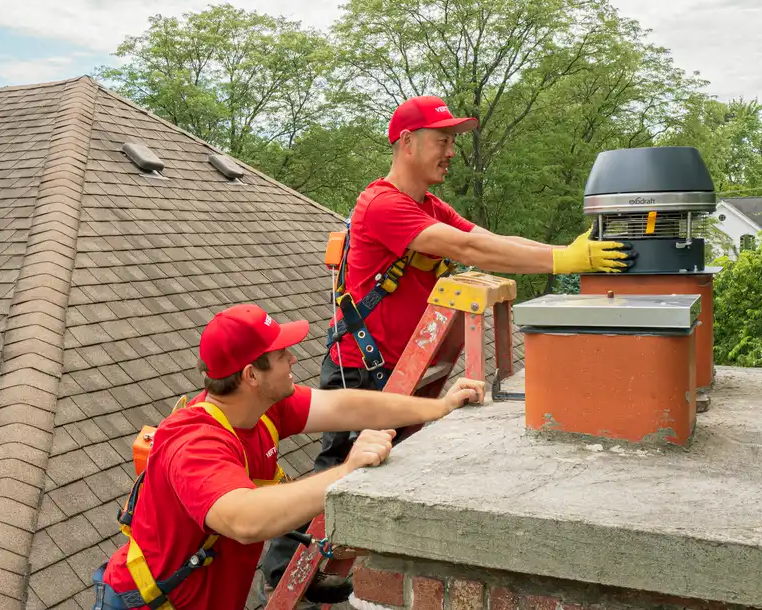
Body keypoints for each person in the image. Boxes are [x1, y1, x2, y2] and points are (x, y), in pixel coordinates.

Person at [259, 95, 635, 594]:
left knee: (380, 475)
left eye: (453, 141)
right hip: (367, 369)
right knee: (337, 473)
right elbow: (467, 248)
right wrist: (564, 262)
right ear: (407, 143)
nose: (451, 151)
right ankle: (282, 579)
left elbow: (486, 236)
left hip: (398, 366)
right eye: (442, 140)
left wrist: (564, 253)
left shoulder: (426, 205)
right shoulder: (383, 204)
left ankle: (332, 575)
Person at [91, 303, 486, 610]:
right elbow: (244, 519)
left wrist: (439, 408)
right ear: (251, 375)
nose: (293, 359)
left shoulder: (263, 408)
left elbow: (347, 406)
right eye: (281, 355)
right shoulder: (195, 443)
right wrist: (346, 471)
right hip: (147, 603)